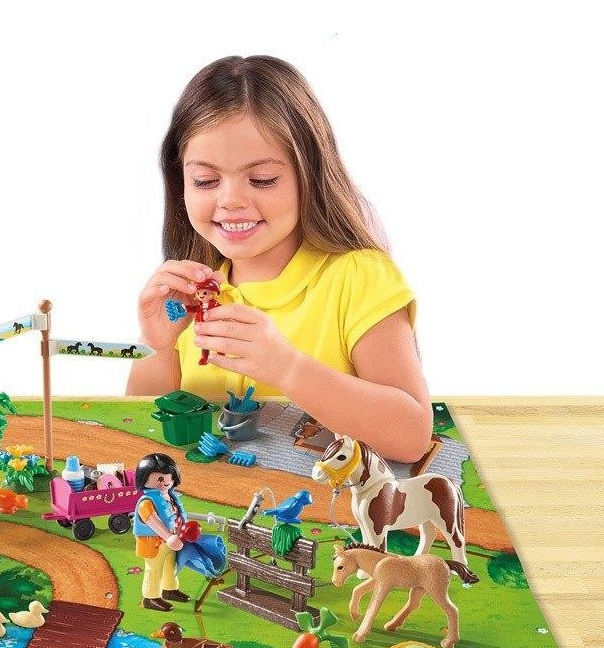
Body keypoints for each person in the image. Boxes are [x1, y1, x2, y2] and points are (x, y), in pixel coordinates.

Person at [127, 55, 433, 463]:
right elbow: (144, 435)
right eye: (205, 180)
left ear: (310, 176)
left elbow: (412, 436)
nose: (231, 200)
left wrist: (286, 367)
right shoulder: (190, 293)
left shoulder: (358, 276)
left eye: (262, 180)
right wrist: (159, 347)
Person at [132, 453, 191, 613]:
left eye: (169, 477)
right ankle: (150, 597)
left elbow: (177, 515)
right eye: (159, 479)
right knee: (154, 570)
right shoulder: (146, 502)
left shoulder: (170, 496)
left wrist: (184, 530)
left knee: (170, 566)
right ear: (144, 479)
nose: (165, 481)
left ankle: (170, 589)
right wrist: (169, 537)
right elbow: (153, 521)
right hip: (155, 543)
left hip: (172, 541)